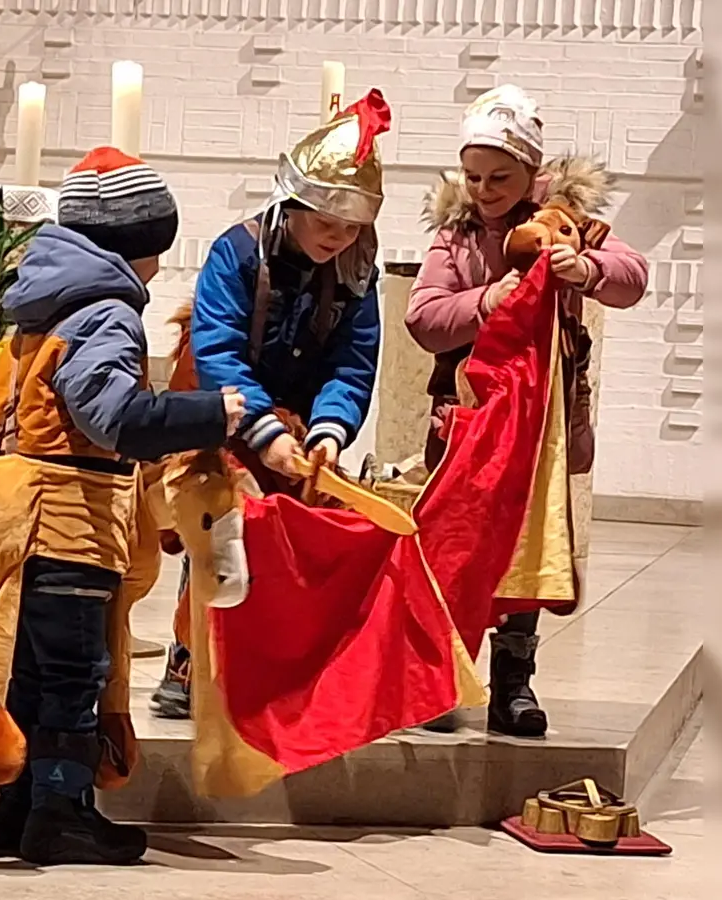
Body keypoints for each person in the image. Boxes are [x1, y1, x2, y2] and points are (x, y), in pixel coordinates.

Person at [0, 146, 244, 865]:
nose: (157, 268)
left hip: (28, 523)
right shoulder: (106, 311)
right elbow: (112, 416)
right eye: (156, 250)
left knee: (33, 670)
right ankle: (61, 809)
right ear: (136, 246)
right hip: (71, 525)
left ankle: (20, 807)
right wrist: (211, 413)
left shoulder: (44, 301)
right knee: (73, 675)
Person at [407, 85, 648, 738]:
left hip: (543, 427)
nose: (484, 189)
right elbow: (424, 319)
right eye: (474, 176)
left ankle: (513, 683)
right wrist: (488, 300)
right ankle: (443, 675)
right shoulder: (456, 237)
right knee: (453, 547)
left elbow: (633, 275)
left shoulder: (568, 223)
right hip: (468, 420)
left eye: (500, 177)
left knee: (525, 542)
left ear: (532, 172)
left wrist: (587, 268)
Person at [151, 90, 391, 721]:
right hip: (221, 406)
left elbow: (352, 362)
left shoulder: (359, 273)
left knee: (296, 535)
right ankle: (188, 657)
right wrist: (257, 428)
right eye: (324, 223)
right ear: (294, 204)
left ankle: (275, 663)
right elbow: (217, 346)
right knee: (217, 528)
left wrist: (333, 430)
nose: (335, 238)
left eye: (349, 229)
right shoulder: (238, 251)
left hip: (300, 417)